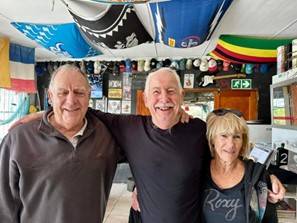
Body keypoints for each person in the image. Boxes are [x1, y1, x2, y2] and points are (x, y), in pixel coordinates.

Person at [9, 67, 285, 223]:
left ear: (181, 96)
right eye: (156, 92)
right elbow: (80, 108)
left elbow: (228, 153)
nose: (163, 99)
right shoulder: (128, 127)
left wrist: (264, 177)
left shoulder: (198, 129)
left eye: (171, 91)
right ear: (145, 99)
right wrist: (43, 114)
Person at [0, 64, 124, 223]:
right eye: (62, 93)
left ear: (89, 96)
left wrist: (140, 190)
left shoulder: (107, 135)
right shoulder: (18, 139)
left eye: (79, 92)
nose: (71, 101)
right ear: (50, 97)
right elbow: (4, 205)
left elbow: (149, 154)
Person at [203, 108, 278, 222]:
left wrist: (269, 175)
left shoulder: (256, 175)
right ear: (212, 139)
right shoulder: (199, 171)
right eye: (224, 135)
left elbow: (270, 220)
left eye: (237, 137)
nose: (231, 144)